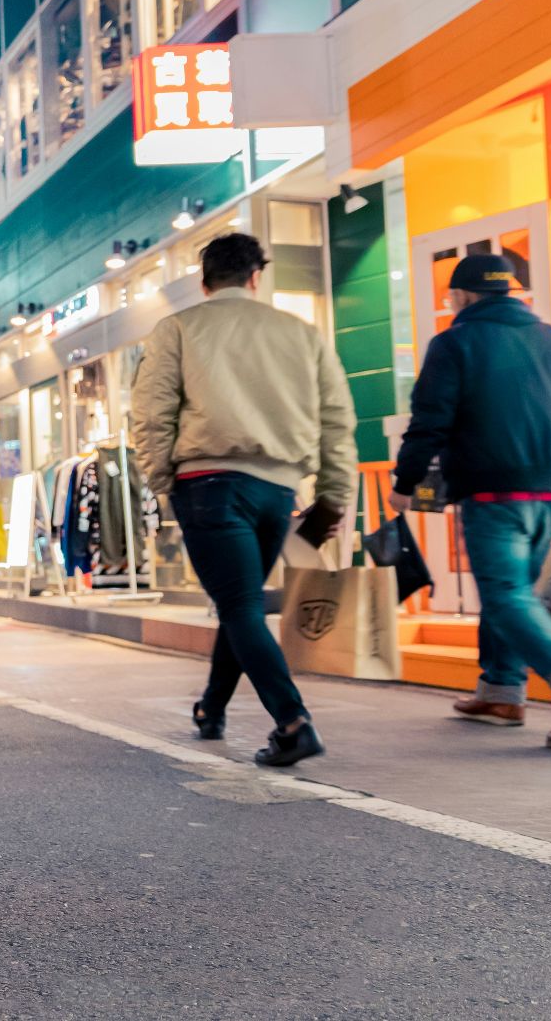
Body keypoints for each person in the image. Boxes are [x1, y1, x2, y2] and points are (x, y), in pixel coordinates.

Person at [130, 232, 357, 768]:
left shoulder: (178, 328)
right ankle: (211, 709)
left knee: (239, 605)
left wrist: (163, 482)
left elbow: (152, 413)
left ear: (203, 281)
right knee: (242, 602)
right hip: (277, 489)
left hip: (207, 483)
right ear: (256, 277)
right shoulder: (302, 334)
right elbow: (337, 420)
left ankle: (293, 722)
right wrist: (333, 496)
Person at [389, 254, 551, 749]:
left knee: (505, 594)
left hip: (495, 486)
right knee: (513, 591)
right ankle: (502, 693)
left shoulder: (456, 342)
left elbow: (430, 420)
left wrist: (406, 481)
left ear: (462, 296)